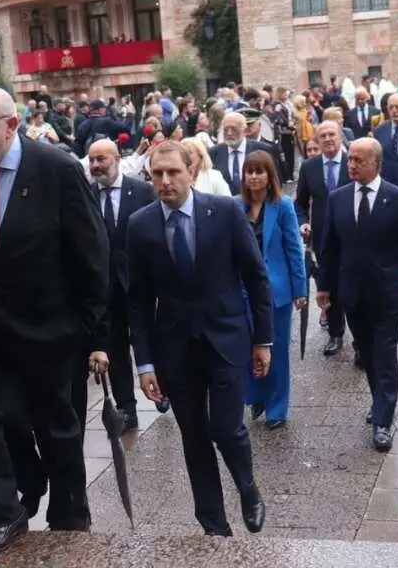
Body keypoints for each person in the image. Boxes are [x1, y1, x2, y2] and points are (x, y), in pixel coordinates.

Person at [0, 86, 109, 557]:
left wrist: (86, 333)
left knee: (57, 428)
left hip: (47, 328)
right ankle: (6, 513)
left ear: (11, 124)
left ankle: (70, 515)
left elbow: (92, 256)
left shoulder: (57, 170)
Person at [128, 141, 271, 537]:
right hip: (174, 349)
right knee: (193, 438)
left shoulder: (224, 212)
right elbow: (137, 301)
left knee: (225, 427)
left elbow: (255, 278)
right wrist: (144, 364)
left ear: (192, 172)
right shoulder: (140, 225)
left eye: (173, 172)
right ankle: (213, 523)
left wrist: (263, 341)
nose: (164, 181)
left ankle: (247, 487)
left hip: (225, 338)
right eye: (157, 174)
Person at [316, 138, 398, 452]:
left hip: (388, 292)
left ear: (376, 163)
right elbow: (329, 248)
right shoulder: (337, 199)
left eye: (358, 160)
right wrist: (324, 287)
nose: (351, 165)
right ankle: (380, 401)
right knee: (366, 353)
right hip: (352, 292)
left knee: (385, 353)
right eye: (349, 159)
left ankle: (382, 421)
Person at [86, 139, 156, 433]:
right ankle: (127, 407)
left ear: (117, 158)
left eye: (101, 159)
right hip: (104, 287)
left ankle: (160, 390)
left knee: (147, 339)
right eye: (92, 160)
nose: (96, 166)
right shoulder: (86, 195)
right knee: (114, 346)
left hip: (138, 282)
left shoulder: (141, 190)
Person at [240, 151, 306, 430]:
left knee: (276, 351)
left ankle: (277, 408)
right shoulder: (235, 207)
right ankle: (257, 397)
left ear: (270, 176)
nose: (254, 177)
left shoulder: (283, 206)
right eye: (249, 171)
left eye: (260, 171)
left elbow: (294, 248)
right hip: (242, 291)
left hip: (276, 292)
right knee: (247, 349)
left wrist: (300, 288)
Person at [294, 121, 353, 359]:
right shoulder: (309, 167)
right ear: (317, 140)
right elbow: (299, 203)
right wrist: (303, 222)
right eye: (323, 136)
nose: (328, 139)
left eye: (332, 134)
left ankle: (360, 338)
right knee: (329, 285)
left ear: (340, 137)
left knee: (353, 284)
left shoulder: (353, 161)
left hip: (351, 235)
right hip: (322, 237)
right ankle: (336, 334)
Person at [209, 112, 277, 196]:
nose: (229, 133)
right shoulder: (213, 153)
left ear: (244, 130)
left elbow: (275, 181)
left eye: (234, 129)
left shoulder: (263, 149)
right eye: (226, 129)